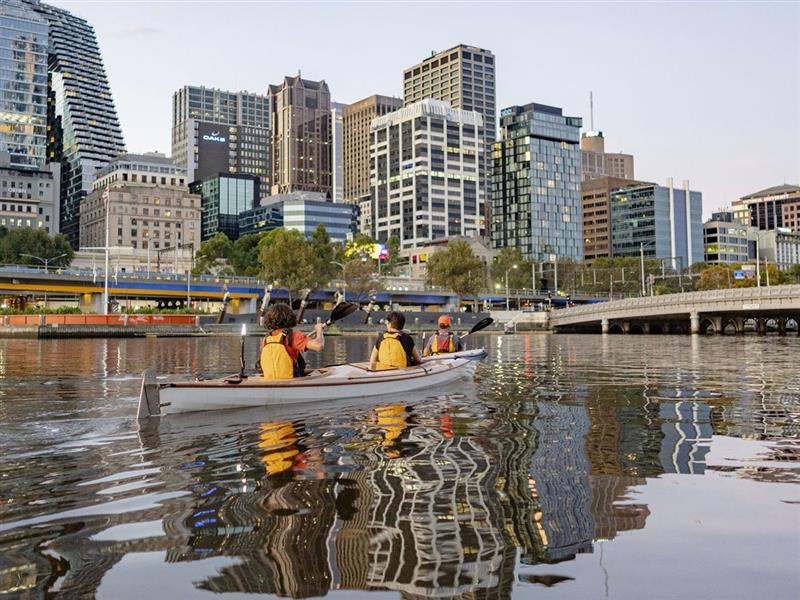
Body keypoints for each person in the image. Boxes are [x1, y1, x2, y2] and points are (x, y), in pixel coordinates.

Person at [260, 303, 324, 380]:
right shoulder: (293, 336)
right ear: (289, 317)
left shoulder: (266, 339)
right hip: (289, 382)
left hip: (269, 382)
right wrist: (319, 330)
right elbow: (319, 345)